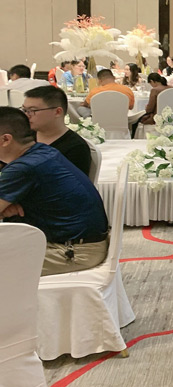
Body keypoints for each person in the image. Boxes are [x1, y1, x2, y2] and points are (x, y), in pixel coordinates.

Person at [0, 107, 108, 276]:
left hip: (73, 252)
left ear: (6, 139)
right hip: (76, 243)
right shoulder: (42, 151)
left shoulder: (23, 168)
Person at [23, 86, 91, 176]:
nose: (26, 115)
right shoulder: (23, 137)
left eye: (32, 110)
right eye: (24, 110)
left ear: (57, 112)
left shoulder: (76, 148)